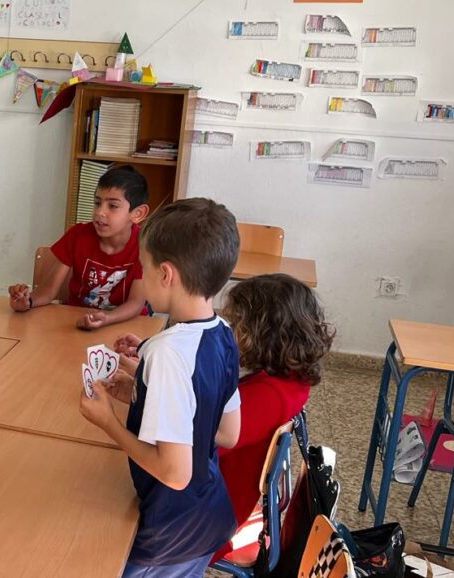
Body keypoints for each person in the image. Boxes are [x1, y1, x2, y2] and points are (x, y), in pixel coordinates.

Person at [79, 198, 243, 577]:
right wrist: (143, 389)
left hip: (168, 533)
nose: (141, 275)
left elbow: (174, 473)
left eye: (144, 267)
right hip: (208, 518)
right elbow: (227, 432)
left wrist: (108, 422)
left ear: (166, 274)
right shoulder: (223, 332)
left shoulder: (166, 352)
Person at [214, 273, 332, 560]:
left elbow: (197, 443)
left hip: (207, 515)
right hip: (219, 493)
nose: (228, 332)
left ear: (262, 334)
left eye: (236, 324)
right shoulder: (289, 380)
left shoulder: (268, 396)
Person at [8, 165, 150, 330]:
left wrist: (106, 318)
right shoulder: (77, 235)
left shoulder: (145, 247)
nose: (100, 212)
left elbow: (136, 303)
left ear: (138, 214)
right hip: (77, 322)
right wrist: (28, 301)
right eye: (97, 203)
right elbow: (48, 291)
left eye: (112, 206)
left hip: (126, 327)